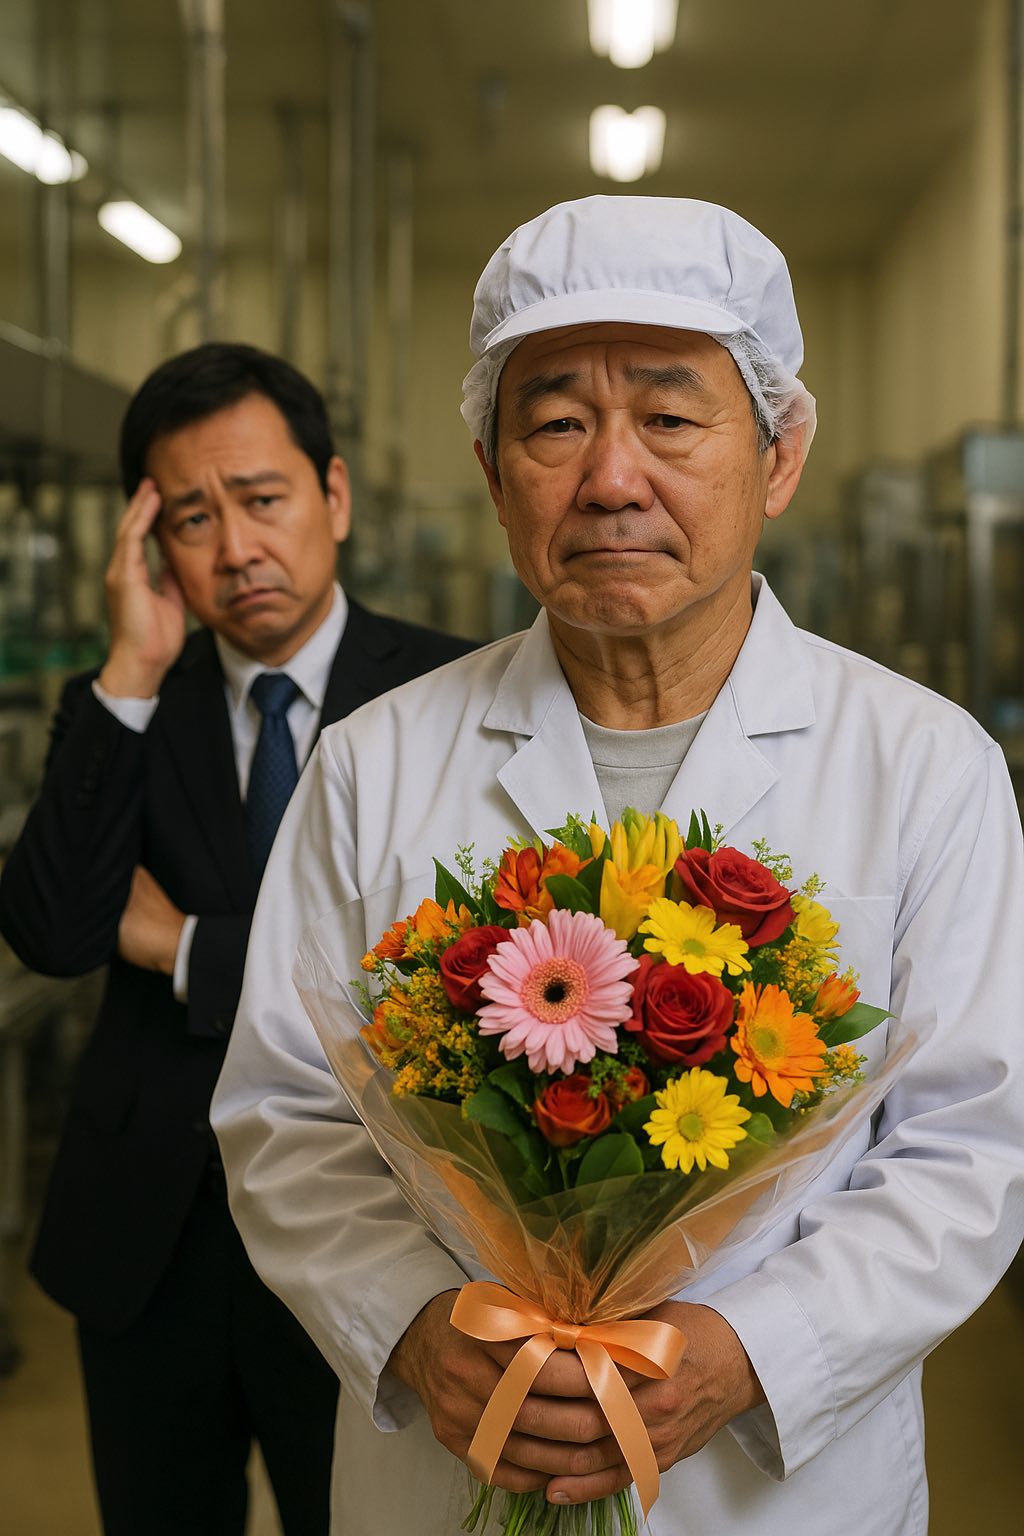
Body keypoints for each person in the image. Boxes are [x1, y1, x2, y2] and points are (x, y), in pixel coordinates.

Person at [210, 201, 1024, 1535]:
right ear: (493, 470)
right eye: (555, 424)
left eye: (671, 416)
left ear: (780, 456)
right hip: (457, 1471)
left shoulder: (923, 766)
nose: (609, 477)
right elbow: (286, 1119)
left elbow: (969, 1148)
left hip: (778, 1487)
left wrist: (751, 1351)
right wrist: (418, 1330)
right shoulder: (373, 766)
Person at [0, 341, 476, 1536]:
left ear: (335, 495)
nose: (234, 549)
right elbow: (55, 933)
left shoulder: (454, 696)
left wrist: (189, 948)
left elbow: (441, 975)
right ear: (149, 540)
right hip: (152, 1240)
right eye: (192, 518)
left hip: (377, 1236)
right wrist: (130, 664)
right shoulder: (121, 708)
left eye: (262, 500)